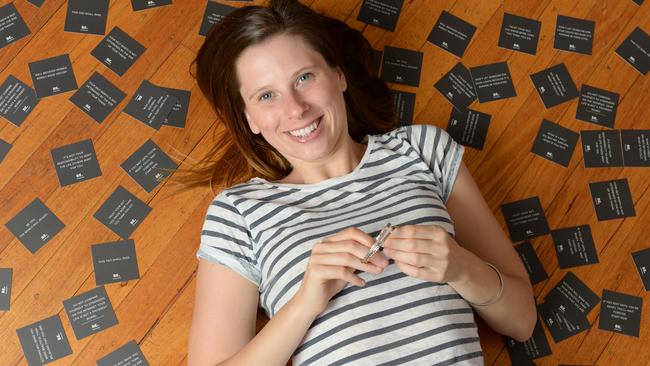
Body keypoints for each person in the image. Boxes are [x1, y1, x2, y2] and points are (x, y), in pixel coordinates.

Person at [187, 1, 536, 365]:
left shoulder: (422, 151)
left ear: (338, 75)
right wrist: (305, 302)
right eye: (266, 95)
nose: (295, 108)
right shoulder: (239, 212)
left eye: (304, 77)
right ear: (250, 119)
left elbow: (523, 321)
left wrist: (462, 267)